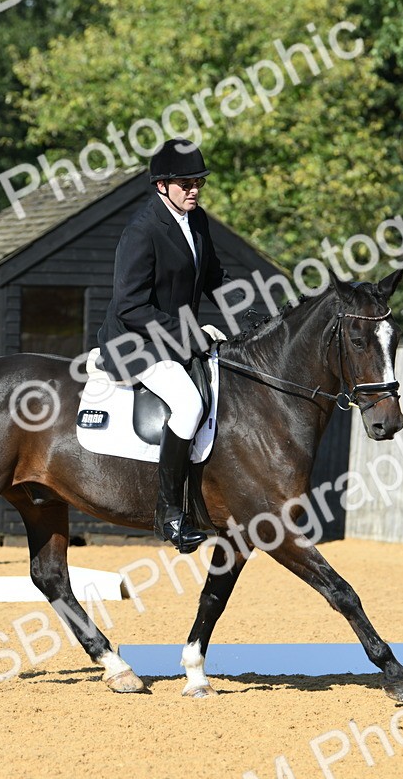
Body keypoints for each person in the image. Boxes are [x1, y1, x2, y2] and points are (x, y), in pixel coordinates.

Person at [97, 138, 245, 553]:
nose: (194, 189)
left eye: (198, 181)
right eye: (185, 183)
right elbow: (130, 306)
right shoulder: (142, 231)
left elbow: (215, 276)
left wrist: (253, 312)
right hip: (134, 343)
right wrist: (192, 334)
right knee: (189, 403)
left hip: (173, 340)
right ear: (162, 185)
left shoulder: (196, 222)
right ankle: (170, 514)